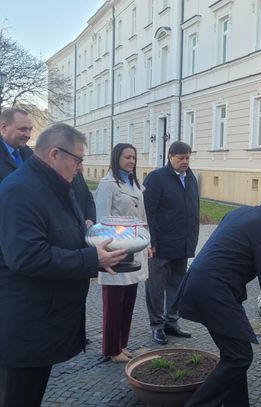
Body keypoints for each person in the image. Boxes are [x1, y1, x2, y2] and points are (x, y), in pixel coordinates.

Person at [0, 123, 127, 407]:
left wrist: (94, 246)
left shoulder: (53, 184)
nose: (80, 168)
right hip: (24, 324)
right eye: (78, 160)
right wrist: (91, 258)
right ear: (55, 154)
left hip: (42, 320)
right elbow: (26, 256)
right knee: (17, 397)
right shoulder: (20, 190)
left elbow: (64, 232)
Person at [176, 188, 261, 407]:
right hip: (214, 292)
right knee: (239, 357)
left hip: (202, 285)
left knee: (234, 355)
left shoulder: (241, 212)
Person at [94, 143, 149, 363]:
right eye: (127, 157)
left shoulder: (136, 183)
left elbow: (143, 217)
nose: (131, 161)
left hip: (135, 248)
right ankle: (111, 349)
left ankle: (121, 344)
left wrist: (147, 242)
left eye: (134, 158)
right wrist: (106, 251)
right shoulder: (107, 184)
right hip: (115, 250)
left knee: (128, 301)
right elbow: (101, 220)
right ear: (117, 158)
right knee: (114, 303)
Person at [143, 141, 200, 345]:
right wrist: (151, 240)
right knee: (156, 288)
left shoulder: (191, 178)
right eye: (181, 158)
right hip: (161, 245)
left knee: (177, 286)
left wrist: (192, 239)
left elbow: (194, 209)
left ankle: (171, 322)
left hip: (182, 244)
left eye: (187, 158)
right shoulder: (157, 178)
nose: (185, 162)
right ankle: (157, 325)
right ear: (170, 157)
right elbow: (148, 212)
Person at [0, 107, 33, 182]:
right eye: (22, 129)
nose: (28, 135)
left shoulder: (30, 154)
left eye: (30, 129)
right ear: (4, 128)